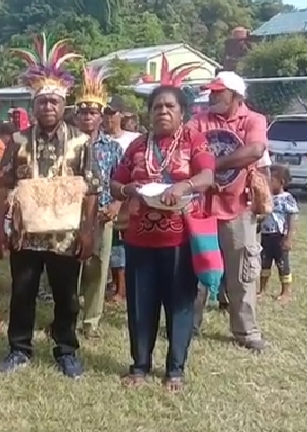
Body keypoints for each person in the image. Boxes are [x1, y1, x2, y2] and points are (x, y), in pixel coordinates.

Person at [0, 34, 101, 378]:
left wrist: (89, 232)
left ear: (63, 104)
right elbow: (6, 185)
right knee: (22, 293)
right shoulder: (19, 142)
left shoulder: (81, 143)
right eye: (42, 103)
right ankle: (19, 349)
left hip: (65, 237)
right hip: (25, 235)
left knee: (67, 297)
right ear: (34, 107)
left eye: (54, 102)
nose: (48, 107)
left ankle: (66, 350)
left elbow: (91, 191)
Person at [110, 82, 215, 391]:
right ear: (149, 113)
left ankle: (175, 370)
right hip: (139, 239)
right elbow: (117, 183)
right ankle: (140, 366)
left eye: (170, 106)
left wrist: (183, 187)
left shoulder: (195, 141)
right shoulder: (138, 146)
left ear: (183, 112)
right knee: (141, 305)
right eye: (157, 107)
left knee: (179, 304)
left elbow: (207, 176)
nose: (163, 111)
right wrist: (129, 190)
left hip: (180, 240)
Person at [189, 71, 268, 352]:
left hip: (238, 208)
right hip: (202, 208)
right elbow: (186, 145)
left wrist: (212, 166)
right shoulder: (200, 119)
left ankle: (246, 332)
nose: (211, 96)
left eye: (217, 92)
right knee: (197, 269)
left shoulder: (253, 120)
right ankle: (189, 325)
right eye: (211, 92)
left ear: (235, 96)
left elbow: (255, 150)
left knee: (242, 273)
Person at [73, 66, 123, 338]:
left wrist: (116, 205)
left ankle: (90, 321)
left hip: (102, 216)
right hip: (70, 216)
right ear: (76, 115)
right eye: (83, 112)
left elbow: (120, 182)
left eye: (93, 112)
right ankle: (67, 316)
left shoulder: (113, 148)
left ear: (101, 116)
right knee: (70, 270)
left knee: (98, 269)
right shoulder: (67, 145)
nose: (88, 117)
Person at [103, 95, 141, 301]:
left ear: (121, 115)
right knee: (114, 245)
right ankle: (117, 286)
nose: (108, 118)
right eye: (105, 113)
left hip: (128, 198)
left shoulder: (133, 139)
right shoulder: (99, 139)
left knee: (128, 244)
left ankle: (125, 287)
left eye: (112, 113)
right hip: (106, 197)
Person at [259, 165, 298, 303]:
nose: (268, 182)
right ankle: (262, 289)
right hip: (266, 235)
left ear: (281, 182)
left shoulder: (286, 198)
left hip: (279, 236)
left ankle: (286, 292)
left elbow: (291, 218)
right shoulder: (266, 197)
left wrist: (288, 237)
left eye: (272, 180)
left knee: (282, 264)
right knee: (264, 262)